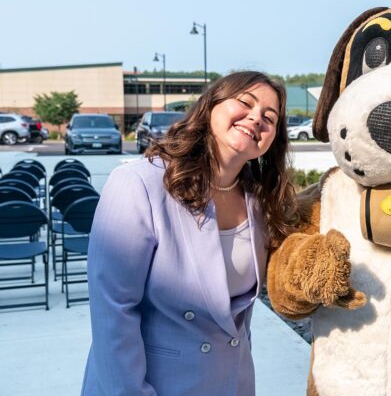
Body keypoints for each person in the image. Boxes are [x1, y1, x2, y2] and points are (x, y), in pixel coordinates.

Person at [81, 71, 297, 395]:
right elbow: (114, 311)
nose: (256, 118)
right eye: (245, 103)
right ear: (211, 106)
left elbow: (236, 320)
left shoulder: (260, 203)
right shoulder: (139, 184)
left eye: (270, 117)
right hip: (151, 385)